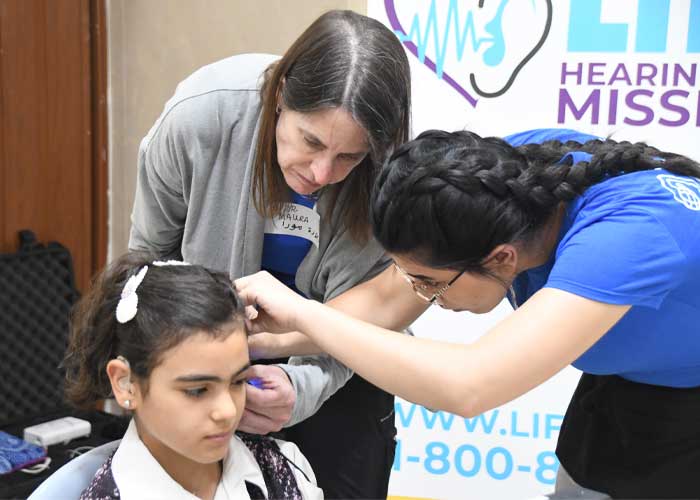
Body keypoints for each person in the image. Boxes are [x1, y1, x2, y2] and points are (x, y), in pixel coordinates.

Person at [235, 128, 700, 499]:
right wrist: (277, 339)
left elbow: (468, 385)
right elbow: (385, 298)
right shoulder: (502, 180)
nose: (418, 293)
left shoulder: (627, 238)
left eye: (431, 284)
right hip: (633, 376)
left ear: (502, 259)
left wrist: (304, 315)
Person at [128, 9, 425, 499]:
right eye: (311, 141)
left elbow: (369, 323)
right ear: (282, 93)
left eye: (349, 156)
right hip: (206, 366)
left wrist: (302, 387)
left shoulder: (389, 173)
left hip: (341, 376)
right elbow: (147, 269)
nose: (323, 172)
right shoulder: (200, 118)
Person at [62, 253, 323, 499]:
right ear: (125, 383)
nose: (227, 411)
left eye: (237, 382)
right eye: (197, 390)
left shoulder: (284, 466)